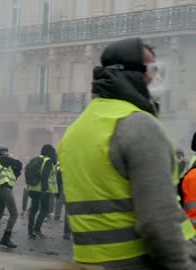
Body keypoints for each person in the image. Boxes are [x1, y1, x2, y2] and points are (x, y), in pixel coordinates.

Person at [58, 38, 196, 269]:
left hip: (88, 261)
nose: (156, 78)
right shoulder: (138, 125)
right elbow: (159, 222)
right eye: (153, 70)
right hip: (137, 262)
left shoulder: (75, 131)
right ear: (133, 74)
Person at [27, 145, 60, 239]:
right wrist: (44, 189)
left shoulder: (35, 159)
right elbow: (45, 175)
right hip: (43, 190)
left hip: (33, 188)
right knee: (44, 210)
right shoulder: (48, 161)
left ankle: (30, 231)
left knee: (33, 209)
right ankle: (37, 230)